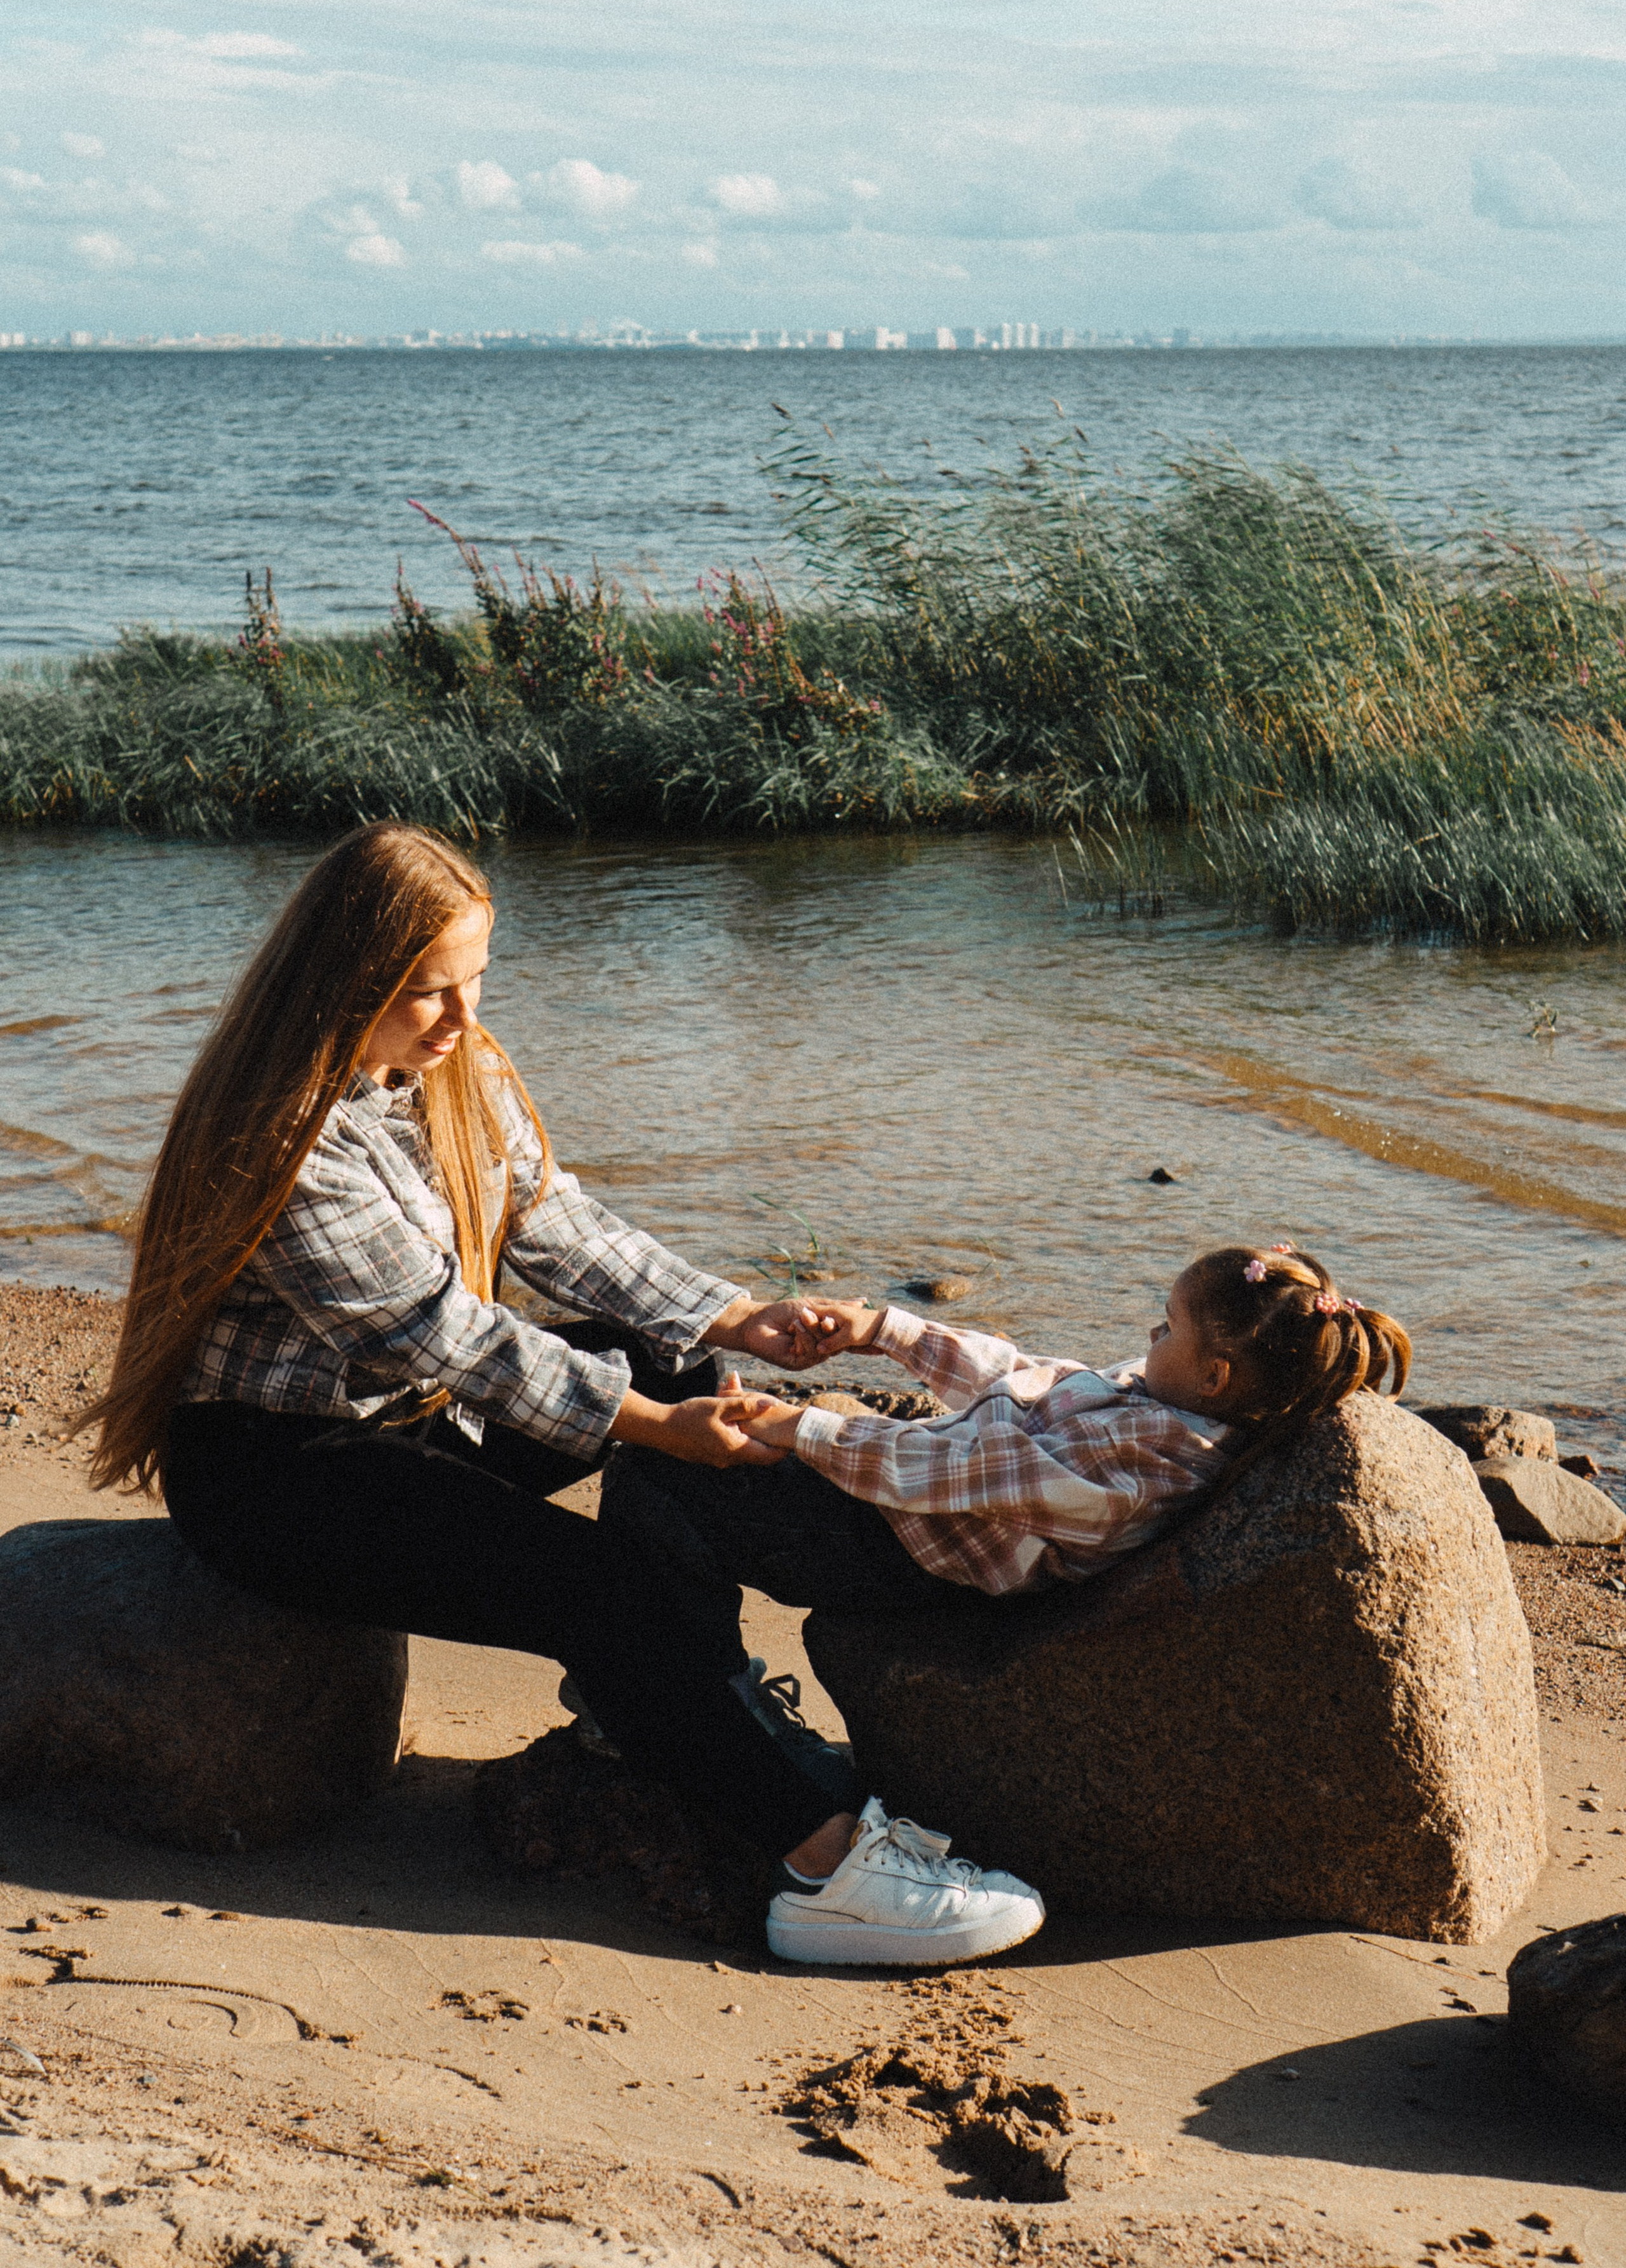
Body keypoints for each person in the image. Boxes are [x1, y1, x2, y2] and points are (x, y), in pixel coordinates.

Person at [81, 821, 1045, 1969]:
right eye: (428, 993)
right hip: (279, 1474)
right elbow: (445, 1336)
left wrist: (731, 1319)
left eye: (476, 981)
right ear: (345, 983)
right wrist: (649, 1430)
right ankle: (821, 1865)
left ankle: (662, 1705)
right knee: (598, 1582)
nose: (464, 1019)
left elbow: (556, 1223)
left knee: (670, 1354)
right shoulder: (285, 1136)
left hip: (410, 1426)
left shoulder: (451, 1068)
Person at [598, 1247, 1413, 1752]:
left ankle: (679, 1697)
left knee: (657, 1471)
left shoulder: (1150, 1463)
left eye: (1166, 1327)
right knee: (686, 1384)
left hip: (908, 1556)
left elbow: (952, 1473)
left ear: (1216, 1376)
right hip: (914, 1506)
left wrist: (798, 1427)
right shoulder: (1169, 1403)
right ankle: (672, 1669)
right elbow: (1025, 1377)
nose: (1149, 1338)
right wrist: (886, 1329)